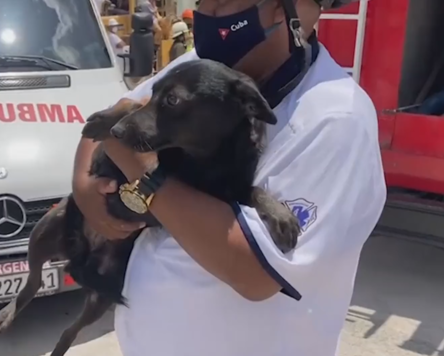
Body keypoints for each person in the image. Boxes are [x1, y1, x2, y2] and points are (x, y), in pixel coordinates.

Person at [71, 0, 386, 355]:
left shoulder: (333, 119)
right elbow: (113, 118)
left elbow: (253, 274)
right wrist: (85, 189)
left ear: (282, 9)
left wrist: (143, 172)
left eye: (227, 4)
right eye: (206, 3)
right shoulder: (198, 70)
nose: (211, 16)